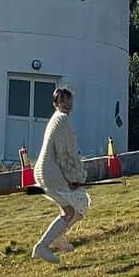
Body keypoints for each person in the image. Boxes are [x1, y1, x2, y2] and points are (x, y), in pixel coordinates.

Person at [32, 87, 90, 265]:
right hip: (51, 172)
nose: (67, 103)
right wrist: (75, 178)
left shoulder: (55, 119)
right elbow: (65, 154)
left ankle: (57, 237)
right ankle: (42, 246)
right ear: (56, 104)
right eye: (62, 100)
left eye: (68, 99)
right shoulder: (62, 119)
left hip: (44, 171)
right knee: (72, 209)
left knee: (81, 202)